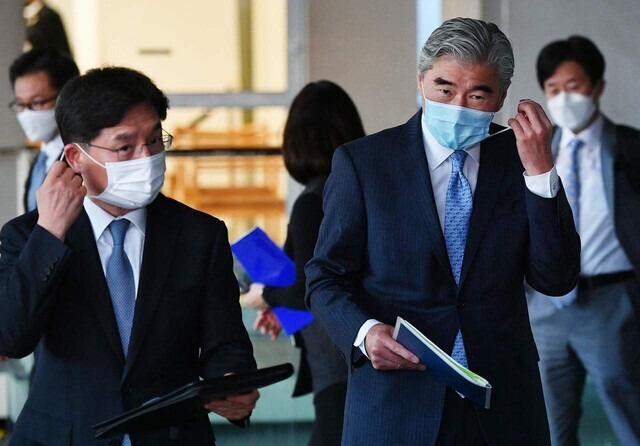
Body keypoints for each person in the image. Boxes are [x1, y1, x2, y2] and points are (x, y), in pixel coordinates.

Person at [305, 17, 581, 446]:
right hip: (394, 405)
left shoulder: (521, 161)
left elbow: (556, 278)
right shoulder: (365, 164)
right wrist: (364, 333)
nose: (457, 105)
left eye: (477, 94)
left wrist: (541, 172)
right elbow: (325, 277)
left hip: (502, 409)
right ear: (420, 82)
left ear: (501, 97)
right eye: (444, 89)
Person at [0, 66, 259, 445]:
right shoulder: (29, 236)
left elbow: (226, 343)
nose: (147, 157)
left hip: (171, 436)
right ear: (75, 156)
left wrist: (234, 383)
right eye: (125, 146)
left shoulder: (199, 234)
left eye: (155, 140)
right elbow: (11, 338)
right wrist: (50, 232)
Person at [527, 36, 640, 446]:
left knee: (627, 405)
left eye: (573, 86)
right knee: (549, 423)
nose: (563, 98)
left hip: (611, 301)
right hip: (546, 308)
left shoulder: (630, 147)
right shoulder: (534, 153)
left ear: (597, 87)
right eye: (553, 89)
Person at [243, 80, 365, 446]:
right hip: (360, 357)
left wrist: (264, 295)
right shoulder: (358, 189)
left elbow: (308, 289)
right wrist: (281, 305)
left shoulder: (313, 201)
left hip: (338, 366)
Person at [9, 48, 79, 212]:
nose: (27, 113)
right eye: (20, 104)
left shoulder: (82, 158)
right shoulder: (42, 157)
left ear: (66, 97)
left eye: (38, 102)